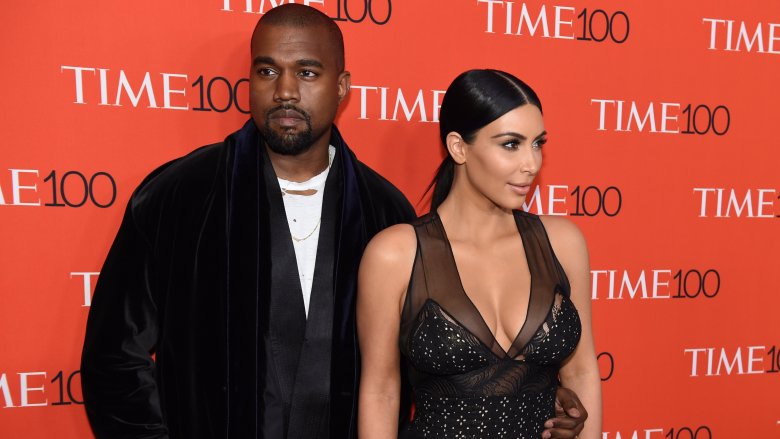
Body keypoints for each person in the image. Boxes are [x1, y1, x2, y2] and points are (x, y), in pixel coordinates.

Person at [81, 4, 589, 439]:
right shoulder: (178, 196)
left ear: (341, 86)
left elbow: (425, 373)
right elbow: (114, 358)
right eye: (266, 71)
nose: (284, 91)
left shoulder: (384, 212)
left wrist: (545, 394)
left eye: (306, 72)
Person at [357, 69, 602, 439]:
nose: (531, 164)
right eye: (510, 144)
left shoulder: (562, 243)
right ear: (458, 147)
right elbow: (381, 392)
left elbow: (582, 372)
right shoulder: (396, 254)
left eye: (537, 143)